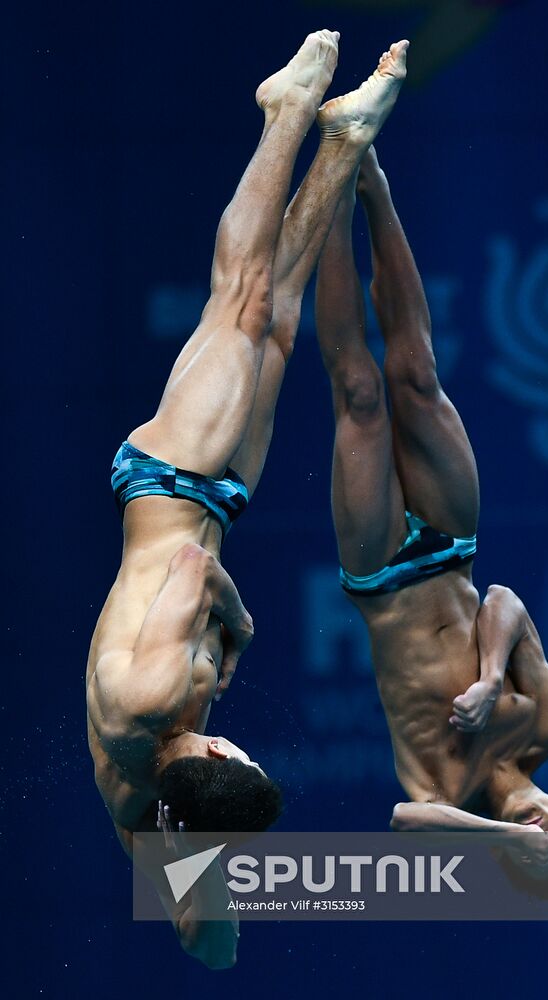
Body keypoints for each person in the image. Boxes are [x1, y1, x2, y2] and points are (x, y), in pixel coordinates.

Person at [86, 32, 409, 967]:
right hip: (217, 494)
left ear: (221, 759)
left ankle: (285, 112)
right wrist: (208, 860)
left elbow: (193, 568)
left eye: (238, 754)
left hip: (168, 478)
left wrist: (244, 623)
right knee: (281, 316)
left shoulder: (149, 706)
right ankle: (343, 144)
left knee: (242, 297)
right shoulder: (147, 810)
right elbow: (213, 951)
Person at [314, 145, 548, 895]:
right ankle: (371, 178)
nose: (544, 845)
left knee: (359, 392)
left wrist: (505, 833)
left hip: (379, 576)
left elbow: (408, 820)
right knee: (416, 372)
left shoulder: (444, 790)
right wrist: (492, 676)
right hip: (453, 548)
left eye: (535, 860)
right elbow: (504, 600)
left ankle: (330, 193)